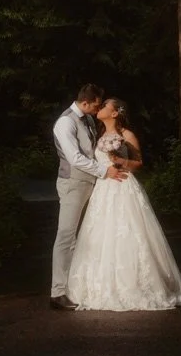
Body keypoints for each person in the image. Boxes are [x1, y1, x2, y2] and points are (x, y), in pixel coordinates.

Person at [67, 98, 181, 311]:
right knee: (102, 235)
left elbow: (139, 163)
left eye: (106, 106)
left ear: (115, 113)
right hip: (104, 188)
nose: (101, 108)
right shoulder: (98, 135)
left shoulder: (127, 135)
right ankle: (102, 284)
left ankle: (136, 284)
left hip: (124, 186)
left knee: (130, 233)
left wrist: (120, 161)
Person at [50, 83, 127, 310]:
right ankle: (58, 292)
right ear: (86, 102)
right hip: (73, 183)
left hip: (93, 184)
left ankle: (78, 285)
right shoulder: (66, 122)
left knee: (89, 235)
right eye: (96, 104)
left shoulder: (88, 120)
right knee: (67, 235)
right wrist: (104, 171)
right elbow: (74, 157)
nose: (98, 108)